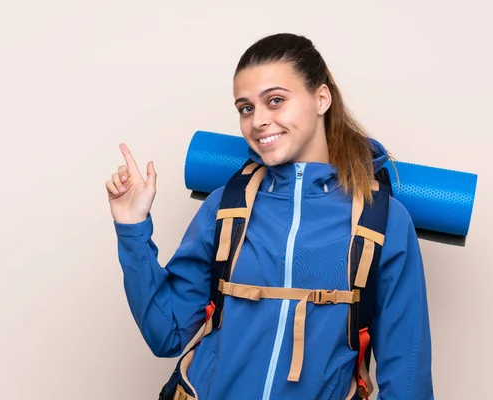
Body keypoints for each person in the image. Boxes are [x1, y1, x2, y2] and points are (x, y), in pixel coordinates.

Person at [106, 33, 434, 400]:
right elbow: (165, 333)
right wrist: (131, 228)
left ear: (321, 98)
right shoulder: (226, 206)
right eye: (246, 108)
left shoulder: (382, 220)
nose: (258, 121)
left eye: (275, 101)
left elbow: (407, 377)